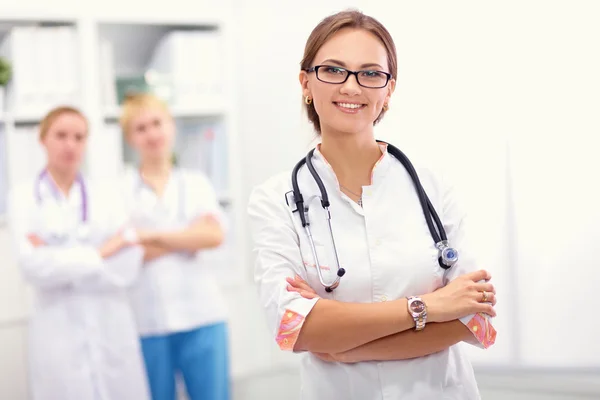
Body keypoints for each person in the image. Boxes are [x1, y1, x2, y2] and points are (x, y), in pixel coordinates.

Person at [247, 10, 498, 400]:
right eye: (333, 70)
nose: (351, 86)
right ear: (306, 83)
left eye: (370, 73)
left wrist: (344, 346)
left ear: (388, 90)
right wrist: (431, 306)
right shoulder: (274, 200)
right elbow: (293, 328)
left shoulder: (433, 186)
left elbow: (475, 320)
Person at [7, 106, 151, 400]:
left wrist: (59, 258)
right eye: (61, 135)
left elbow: (129, 263)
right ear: (42, 139)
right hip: (56, 331)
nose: (70, 144)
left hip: (110, 324)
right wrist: (103, 251)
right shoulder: (22, 198)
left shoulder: (108, 195)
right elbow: (32, 267)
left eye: (79, 137)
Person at [118, 93, 230, 400]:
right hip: (147, 322)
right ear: (130, 137)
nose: (152, 134)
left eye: (157, 123)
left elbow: (212, 236)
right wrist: (186, 238)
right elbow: (124, 251)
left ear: (171, 127)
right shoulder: (119, 190)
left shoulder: (196, 183)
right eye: (141, 128)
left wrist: (148, 236)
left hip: (203, 315)